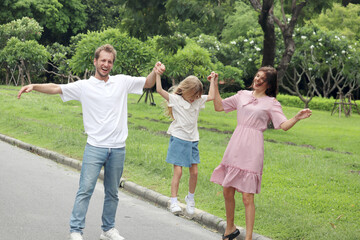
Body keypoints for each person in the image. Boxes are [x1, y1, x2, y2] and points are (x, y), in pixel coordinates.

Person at [17, 44, 165, 240]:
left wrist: (155, 72)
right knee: (85, 190)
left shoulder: (121, 82)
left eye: (109, 61)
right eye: (102, 60)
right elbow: (56, 88)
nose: (106, 64)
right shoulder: (83, 86)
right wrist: (34, 86)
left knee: (112, 192)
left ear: (113, 64)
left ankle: (108, 229)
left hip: (118, 148)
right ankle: (76, 230)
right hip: (95, 147)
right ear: (95, 61)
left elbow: (147, 83)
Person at [210, 67, 312, 240]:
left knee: (247, 196)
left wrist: (296, 117)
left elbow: (283, 126)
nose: (257, 80)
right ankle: (230, 229)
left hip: (253, 147)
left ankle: (248, 237)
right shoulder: (242, 95)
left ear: (269, 84)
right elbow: (219, 106)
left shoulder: (271, 103)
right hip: (235, 144)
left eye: (262, 79)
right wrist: (214, 83)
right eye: (257, 76)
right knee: (227, 190)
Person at [155, 71, 216, 215]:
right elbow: (159, 90)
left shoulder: (198, 100)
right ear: (186, 90)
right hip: (178, 139)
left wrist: (213, 80)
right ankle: (174, 201)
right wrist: (157, 74)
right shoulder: (176, 99)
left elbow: (212, 96)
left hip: (193, 140)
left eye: (198, 96)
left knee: (194, 172)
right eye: (194, 95)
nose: (196, 98)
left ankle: (190, 198)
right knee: (178, 171)